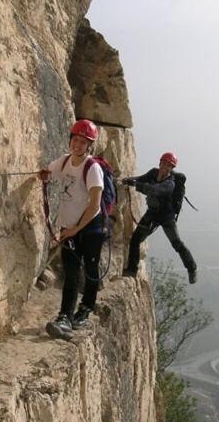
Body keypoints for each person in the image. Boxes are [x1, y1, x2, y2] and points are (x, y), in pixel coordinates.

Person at [39, 119, 105, 340]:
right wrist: (43, 175)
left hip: (90, 227)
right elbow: (48, 172)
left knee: (90, 270)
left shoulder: (92, 168)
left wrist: (76, 228)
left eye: (82, 141)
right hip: (70, 228)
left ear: (89, 145)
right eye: (75, 140)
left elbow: (95, 204)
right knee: (71, 272)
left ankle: (85, 309)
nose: (77, 145)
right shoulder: (65, 161)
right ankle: (65, 316)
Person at [122, 152, 198, 284]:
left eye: (169, 166)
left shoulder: (170, 184)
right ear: (160, 163)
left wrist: (136, 185)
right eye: (164, 163)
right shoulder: (152, 173)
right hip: (152, 213)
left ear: (172, 169)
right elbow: (141, 178)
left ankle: (192, 268)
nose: (165, 167)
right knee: (135, 239)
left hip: (166, 217)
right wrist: (128, 180)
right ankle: (131, 270)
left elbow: (154, 190)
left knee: (177, 243)